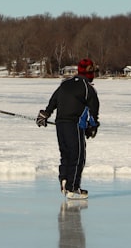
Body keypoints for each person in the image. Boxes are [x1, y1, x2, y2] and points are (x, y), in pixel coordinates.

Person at [37, 58, 100, 199]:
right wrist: (93, 128)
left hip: (60, 125)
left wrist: (45, 114)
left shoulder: (65, 84)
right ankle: (73, 188)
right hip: (75, 125)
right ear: (90, 73)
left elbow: (54, 100)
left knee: (65, 154)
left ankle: (64, 180)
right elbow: (94, 113)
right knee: (77, 156)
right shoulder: (88, 89)